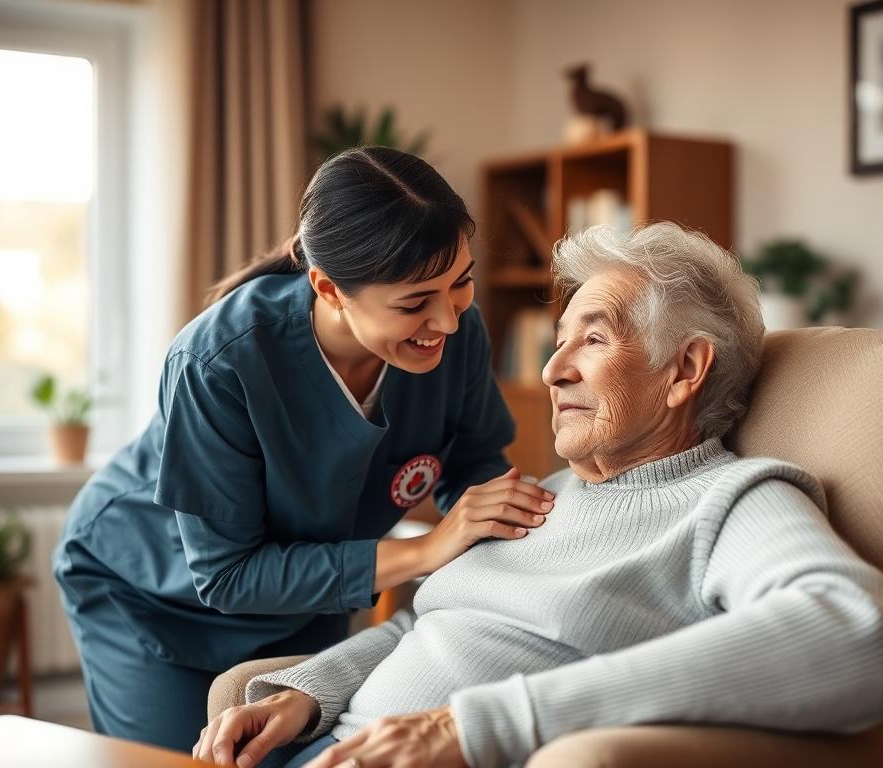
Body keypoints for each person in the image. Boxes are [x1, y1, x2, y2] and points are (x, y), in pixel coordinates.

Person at [194, 222, 883, 768]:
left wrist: (473, 726)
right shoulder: (536, 494)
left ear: (684, 371)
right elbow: (425, 624)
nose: (551, 372)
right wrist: (310, 691)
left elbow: (860, 632)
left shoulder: (731, 500)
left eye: (594, 341)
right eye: (559, 339)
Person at [53, 147, 557, 752]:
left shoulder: (455, 331)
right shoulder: (219, 361)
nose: (447, 320)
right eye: (414, 301)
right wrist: (426, 548)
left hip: (314, 588)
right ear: (329, 288)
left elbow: (471, 458)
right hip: (151, 593)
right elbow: (228, 574)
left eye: (462, 282)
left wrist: (504, 521)